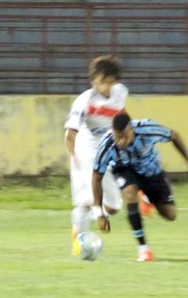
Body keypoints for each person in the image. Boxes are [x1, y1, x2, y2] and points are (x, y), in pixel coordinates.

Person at [91, 112, 188, 261]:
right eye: (117, 137)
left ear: (131, 129)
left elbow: (175, 136)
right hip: (125, 170)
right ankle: (143, 249)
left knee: (170, 215)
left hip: (151, 172)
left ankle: (145, 196)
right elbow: (96, 177)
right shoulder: (107, 145)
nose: (120, 142)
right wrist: (99, 213)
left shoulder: (147, 129)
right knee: (129, 193)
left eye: (123, 136)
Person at [64, 55, 127, 254]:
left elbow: (121, 118)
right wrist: (75, 158)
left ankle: (83, 222)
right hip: (86, 150)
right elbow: (69, 134)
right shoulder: (85, 100)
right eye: (101, 82)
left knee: (114, 206)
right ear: (94, 81)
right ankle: (79, 241)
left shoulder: (120, 93)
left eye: (109, 82)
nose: (105, 86)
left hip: (107, 149)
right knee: (86, 200)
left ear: (115, 81)